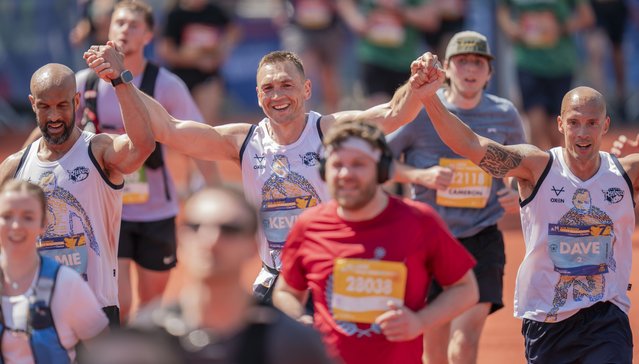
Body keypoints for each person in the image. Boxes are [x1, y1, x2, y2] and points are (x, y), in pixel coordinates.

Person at [83, 47, 432, 303]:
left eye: (286, 85)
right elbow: (169, 129)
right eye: (268, 88)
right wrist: (121, 79)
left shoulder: (330, 131)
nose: (277, 95)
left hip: (332, 276)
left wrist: (417, 85)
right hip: (275, 281)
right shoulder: (244, 141)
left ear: (306, 89)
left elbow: (392, 113)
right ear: (258, 95)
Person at [411, 52, 635, 363]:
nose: (582, 133)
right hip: (547, 322)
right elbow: (473, 146)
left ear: (605, 125)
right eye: (574, 123)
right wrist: (430, 99)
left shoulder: (625, 174)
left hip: (605, 317)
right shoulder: (537, 167)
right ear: (560, 124)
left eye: (591, 123)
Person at [272, 120, 478, 364]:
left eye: (358, 164)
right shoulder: (308, 225)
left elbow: (465, 289)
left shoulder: (419, 221)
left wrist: (420, 322)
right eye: (337, 165)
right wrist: (300, 321)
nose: (346, 174)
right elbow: (286, 292)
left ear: (382, 170)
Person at [388, 30, 525, 364]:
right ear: (447, 68)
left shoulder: (505, 114)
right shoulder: (418, 112)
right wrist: (419, 176)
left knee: (464, 342)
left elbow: (524, 168)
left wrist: (513, 191)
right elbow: (377, 161)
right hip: (430, 241)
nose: (470, 69)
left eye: (478, 62)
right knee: (433, 352)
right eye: (462, 61)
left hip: (481, 238)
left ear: (490, 73)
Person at [0, 59, 155, 327]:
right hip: (37, 313)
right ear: (32, 103)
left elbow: (142, 145)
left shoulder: (98, 151)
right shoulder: (16, 166)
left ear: (76, 101)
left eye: (62, 105)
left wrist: (120, 81)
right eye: (45, 106)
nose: (55, 116)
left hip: (95, 310)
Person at [127, 186, 333, 363]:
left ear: (253, 246)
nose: (210, 239)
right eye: (196, 227)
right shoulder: (144, 337)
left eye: (229, 230)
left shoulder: (293, 343)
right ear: (181, 239)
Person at [0, 179, 109, 362]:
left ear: (43, 225)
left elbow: (108, 352)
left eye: (28, 217)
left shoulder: (66, 284)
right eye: (7, 216)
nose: (16, 226)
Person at [496, 0, 594, 150]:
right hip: (528, 63)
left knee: (556, 131)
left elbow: (587, 17)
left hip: (560, 65)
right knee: (535, 124)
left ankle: (558, 168)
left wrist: (562, 28)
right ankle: (538, 171)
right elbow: (502, 11)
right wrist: (511, 29)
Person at [338, 0, 440, 106]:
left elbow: (431, 20)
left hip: (405, 62)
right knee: (379, 113)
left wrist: (400, 10)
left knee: (403, 114)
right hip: (373, 58)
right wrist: (358, 22)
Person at [158, 0, 240, 126]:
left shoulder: (215, 11)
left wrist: (222, 50)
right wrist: (194, 59)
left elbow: (234, 30)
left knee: (207, 126)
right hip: (180, 79)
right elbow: (165, 51)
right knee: (181, 127)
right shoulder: (175, 15)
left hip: (208, 77)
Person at [276, 0, 347, 112]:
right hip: (299, 28)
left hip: (330, 28)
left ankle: (333, 119)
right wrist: (280, 10)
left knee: (329, 77)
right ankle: (303, 117)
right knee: (301, 71)